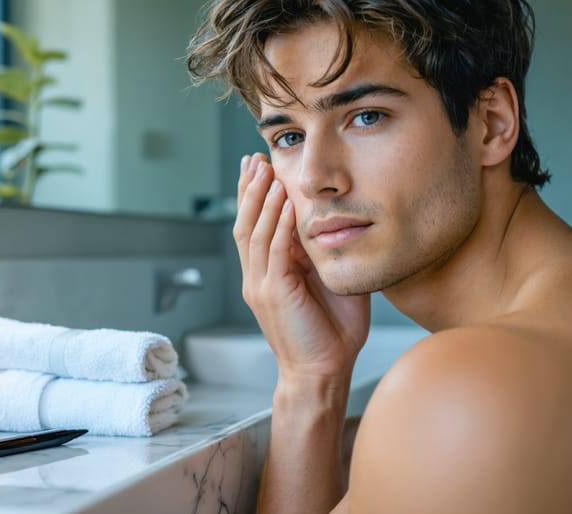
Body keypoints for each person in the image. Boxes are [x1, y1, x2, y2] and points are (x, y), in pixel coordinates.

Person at [186, 1, 572, 513]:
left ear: (492, 123)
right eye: (289, 136)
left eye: (366, 117)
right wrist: (313, 376)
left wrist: (306, 391)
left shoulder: (472, 389)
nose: (314, 178)